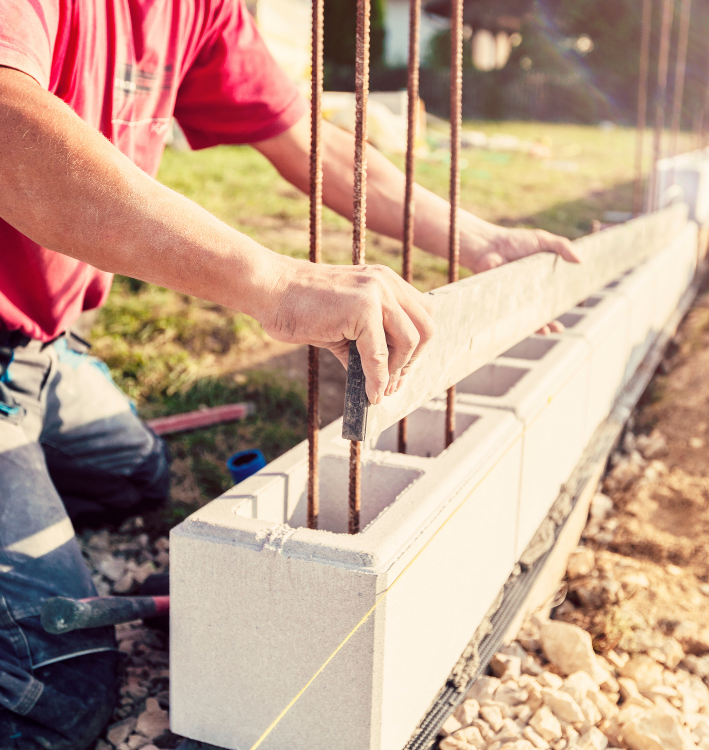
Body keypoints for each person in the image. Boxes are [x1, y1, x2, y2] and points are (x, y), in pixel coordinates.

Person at [0, 0, 579, 746]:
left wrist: (479, 239)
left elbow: (315, 145)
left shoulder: (197, 10)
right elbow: (10, 129)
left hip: (33, 348)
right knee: (48, 696)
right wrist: (274, 282)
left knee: (133, 479)